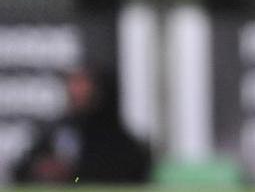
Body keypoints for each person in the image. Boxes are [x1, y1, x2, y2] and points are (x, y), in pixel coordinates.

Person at [12, 67, 151, 185]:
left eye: (83, 86)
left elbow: (123, 174)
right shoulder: (57, 131)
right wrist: (40, 168)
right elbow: (20, 170)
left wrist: (73, 173)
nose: (77, 92)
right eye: (74, 85)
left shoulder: (119, 142)